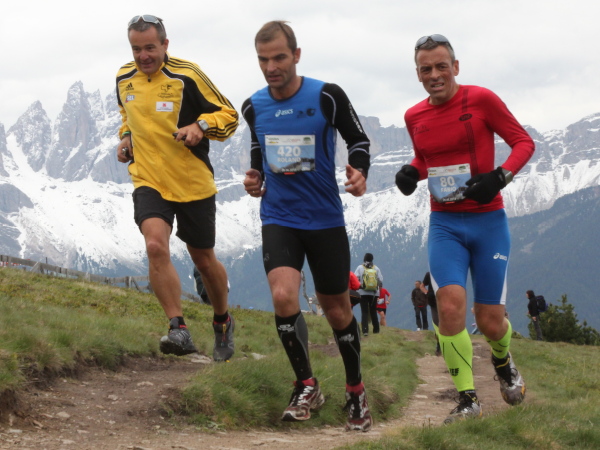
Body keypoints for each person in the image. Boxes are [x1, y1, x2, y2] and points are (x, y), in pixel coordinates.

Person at [395, 34, 535, 424]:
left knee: (490, 320)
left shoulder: (482, 100)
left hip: (488, 221)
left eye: (442, 66)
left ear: (455, 67)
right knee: (450, 306)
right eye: (426, 69)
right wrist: (411, 172)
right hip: (445, 224)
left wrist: (500, 177)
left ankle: (502, 360)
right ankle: (468, 400)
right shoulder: (413, 116)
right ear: (418, 74)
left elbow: (523, 143)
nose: (434, 75)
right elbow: (425, 158)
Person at [241, 21, 372, 432]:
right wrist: (255, 177)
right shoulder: (253, 106)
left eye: (279, 57)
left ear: (296, 55)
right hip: (279, 216)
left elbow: (359, 141)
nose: (271, 67)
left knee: (336, 309)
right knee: (283, 295)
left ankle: (356, 390)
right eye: (263, 60)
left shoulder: (327, 95)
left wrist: (360, 172)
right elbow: (259, 151)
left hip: (324, 219)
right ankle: (307, 385)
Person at [116, 15, 238, 361]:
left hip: (191, 181)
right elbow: (127, 114)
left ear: (165, 45)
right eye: (136, 49)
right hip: (148, 178)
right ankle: (178, 328)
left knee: (204, 259)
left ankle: (222, 320)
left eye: (150, 48)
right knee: (155, 245)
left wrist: (201, 125)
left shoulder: (188, 75)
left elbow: (229, 116)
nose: (143, 56)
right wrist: (125, 136)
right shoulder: (123, 77)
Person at [354, 253, 384, 336]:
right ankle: (376, 330)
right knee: (373, 311)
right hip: (374, 293)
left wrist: (359, 286)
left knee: (364, 312)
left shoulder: (360, 268)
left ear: (364, 259)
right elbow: (381, 280)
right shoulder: (376, 268)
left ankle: (365, 330)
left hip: (362, 292)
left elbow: (355, 279)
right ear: (372, 259)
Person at [421, 271, 441, 355]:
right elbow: (422, 286)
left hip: (444, 302)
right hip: (433, 303)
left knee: (444, 323)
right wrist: (427, 292)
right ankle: (439, 345)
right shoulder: (429, 274)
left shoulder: (445, 272)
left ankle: (444, 345)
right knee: (437, 323)